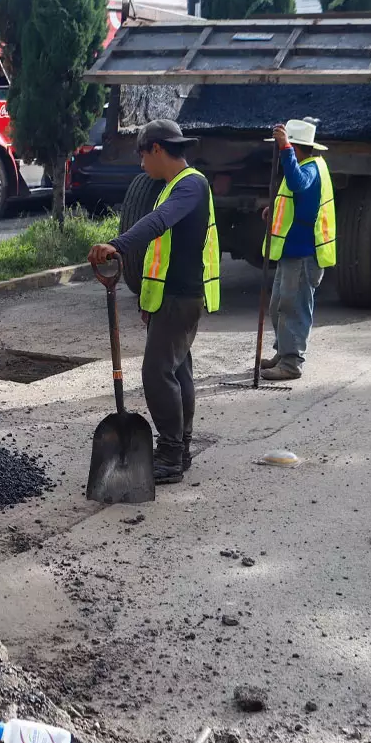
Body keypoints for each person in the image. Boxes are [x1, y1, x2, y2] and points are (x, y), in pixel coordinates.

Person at [87, 120, 220, 485]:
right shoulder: (176, 186)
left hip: (181, 297)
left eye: (142, 155)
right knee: (177, 371)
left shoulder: (190, 184)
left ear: (157, 149)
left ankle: (171, 455)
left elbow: (159, 222)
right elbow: (164, 250)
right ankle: (181, 449)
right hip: (173, 296)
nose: (142, 164)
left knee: (157, 373)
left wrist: (118, 244)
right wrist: (148, 300)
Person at [259, 118, 334, 381]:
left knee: (293, 306)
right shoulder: (305, 164)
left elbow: (297, 184)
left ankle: (292, 362)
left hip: (304, 254)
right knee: (279, 304)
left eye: (288, 148)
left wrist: (285, 148)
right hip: (291, 251)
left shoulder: (310, 168)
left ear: (297, 147)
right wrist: (275, 210)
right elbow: (296, 200)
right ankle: (283, 352)